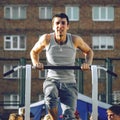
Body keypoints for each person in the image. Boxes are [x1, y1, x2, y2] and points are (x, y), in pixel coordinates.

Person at [30, 13, 94, 120]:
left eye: (63, 23)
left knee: (69, 115)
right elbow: (34, 52)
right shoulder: (46, 39)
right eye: (57, 23)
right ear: (53, 26)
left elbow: (89, 51)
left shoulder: (75, 39)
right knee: (50, 95)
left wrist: (88, 63)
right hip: (52, 80)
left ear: (68, 26)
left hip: (69, 83)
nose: (60, 26)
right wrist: (36, 63)